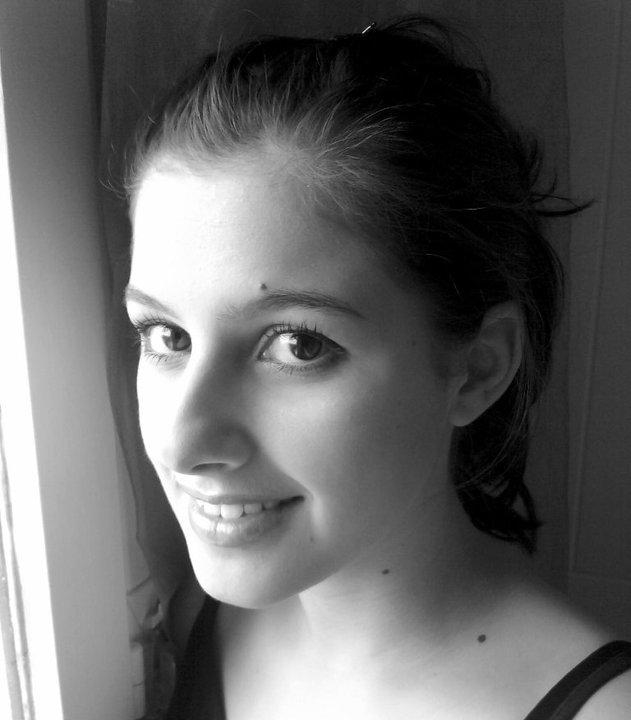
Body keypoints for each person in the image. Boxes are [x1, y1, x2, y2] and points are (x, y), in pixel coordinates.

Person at [122, 16, 631, 719]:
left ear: (479, 368)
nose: (184, 446)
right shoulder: (198, 618)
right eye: (166, 335)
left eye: (298, 345)